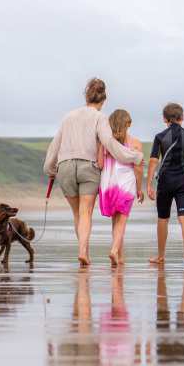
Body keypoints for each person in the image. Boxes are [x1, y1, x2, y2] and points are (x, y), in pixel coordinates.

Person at [43, 78, 143, 266]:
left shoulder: (68, 116)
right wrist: (134, 157)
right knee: (86, 212)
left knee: (77, 214)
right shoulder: (100, 118)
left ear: (86, 97)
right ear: (103, 101)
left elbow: (54, 146)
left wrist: (50, 169)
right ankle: (83, 252)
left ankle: (84, 253)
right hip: (88, 168)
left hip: (64, 167)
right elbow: (110, 143)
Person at [146, 103, 184, 266]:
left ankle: (161, 256)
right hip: (183, 181)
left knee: (163, 217)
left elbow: (153, 161)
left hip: (165, 182)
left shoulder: (160, 137)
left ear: (164, 119)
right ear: (182, 118)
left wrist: (149, 184)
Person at [96, 109, 144, 267]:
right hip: (126, 183)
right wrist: (139, 188)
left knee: (115, 221)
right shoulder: (135, 143)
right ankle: (115, 251)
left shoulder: (106, 143)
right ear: (128, 124)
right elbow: (138, 168)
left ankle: (119, 256)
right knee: (122, 220)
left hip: (108, 183)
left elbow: (100, 165)